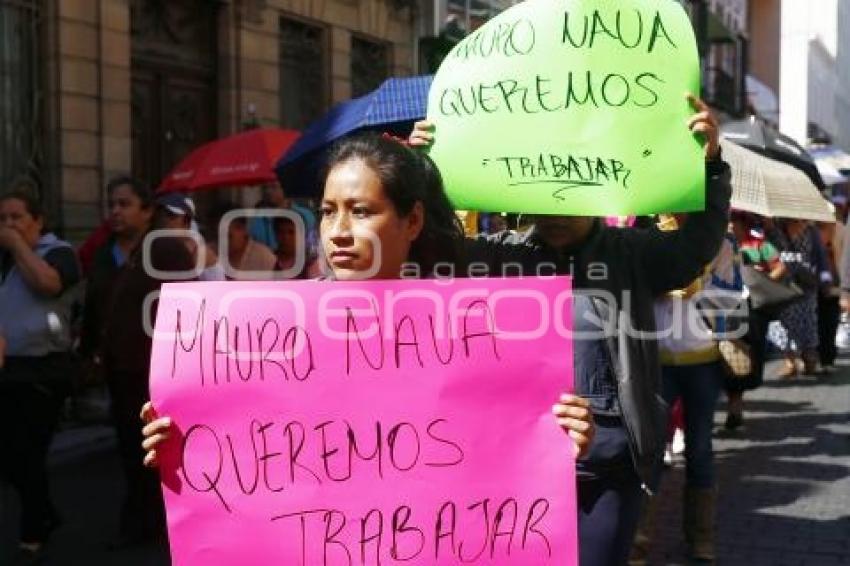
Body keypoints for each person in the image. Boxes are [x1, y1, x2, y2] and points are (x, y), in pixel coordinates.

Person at [139, 134, 596, 543]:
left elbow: (505, 457)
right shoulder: (265, 333)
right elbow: (241, 459)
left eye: (360, 211)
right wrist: (183, 442)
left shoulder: (478, 332)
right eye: (326, 212)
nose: (337, 232)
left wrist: (557, 439)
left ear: (412, 221)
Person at [413, 93, 730, 566]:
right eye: (541, 198)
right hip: (517, 465)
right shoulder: (502, 256)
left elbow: (695, 246)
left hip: (609, 469)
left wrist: (710, 167)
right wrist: (422, 173)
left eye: (568, 195)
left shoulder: (633, 253)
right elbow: (431, 250)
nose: (555, 211)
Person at [650, 215, 740, 562]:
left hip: (703, 360)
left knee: (700, 448)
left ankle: (702, 539)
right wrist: (662, 283)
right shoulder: (650, 237)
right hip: (658, 358)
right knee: (651, 450)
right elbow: (634, 290)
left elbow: (732, 296)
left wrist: (700, 283)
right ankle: (639, 538)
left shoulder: (721, 240)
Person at [0, 184, 81, 562]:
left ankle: (34, 529)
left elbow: (48, 285)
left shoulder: (59, 254)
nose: (8, 225)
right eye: (2, 219)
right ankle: (46, 513)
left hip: (43, 371)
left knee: (28, 453)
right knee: (13, 456)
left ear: (38, 221)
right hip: (8, 368)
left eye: (17, 217)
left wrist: (17, 246)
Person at [767, 219, 828, 376]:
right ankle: (794, 361)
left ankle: (807, 359)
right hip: (785, 285)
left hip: (801, 284)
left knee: (805, 321)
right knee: (785, 324)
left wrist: (825, 280)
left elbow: (820, 256)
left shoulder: (810, 231)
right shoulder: (775, 230)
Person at [155, 192, 225, 281]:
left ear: (186, 222)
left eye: (171, 216)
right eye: (162, 214)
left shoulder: (200, 253)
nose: (164, 220)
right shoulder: (160, 247)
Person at [208, 201, 278, 280]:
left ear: (244, 230)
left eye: (229, 236)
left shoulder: (264, 258)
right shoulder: (207, 255)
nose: (226, 241)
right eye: (221, 234)